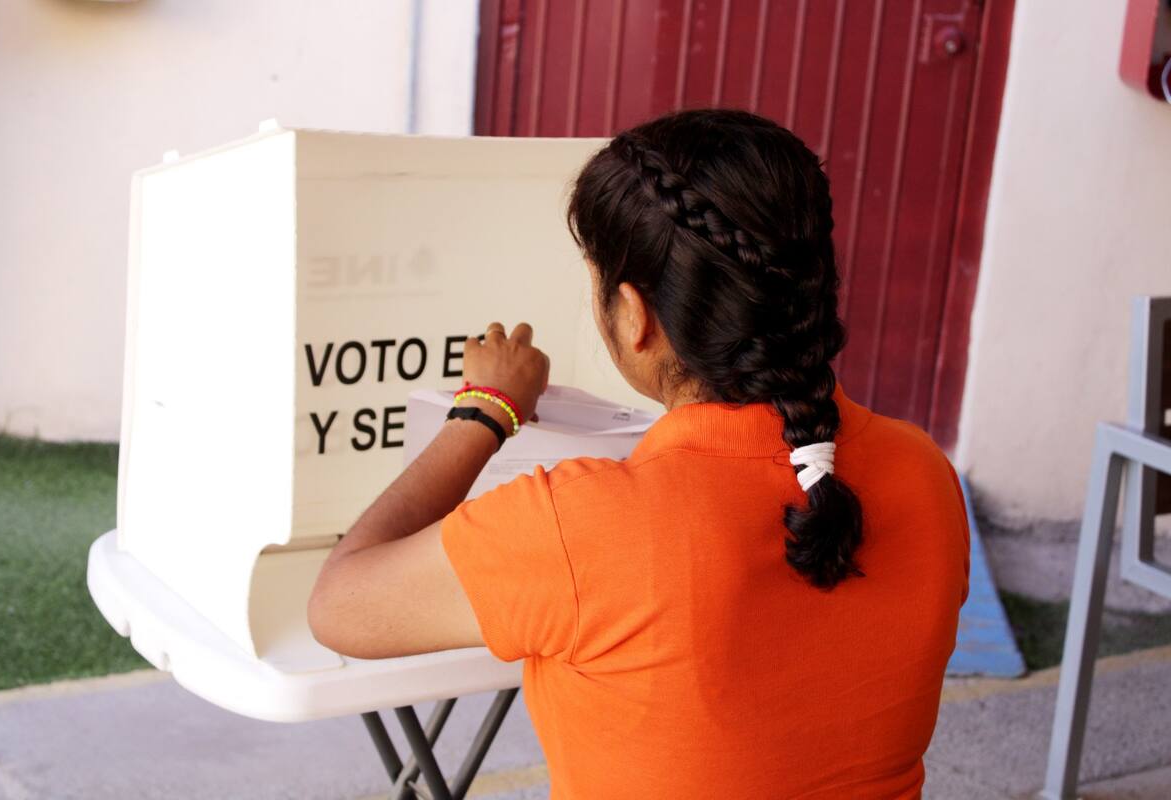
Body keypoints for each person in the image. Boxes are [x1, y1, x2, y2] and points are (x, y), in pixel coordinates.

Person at [308, 108, 971, 799]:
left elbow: (339, 606)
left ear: (633, 314)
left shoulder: (585, 525)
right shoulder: (925, 474)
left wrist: (486, 407)